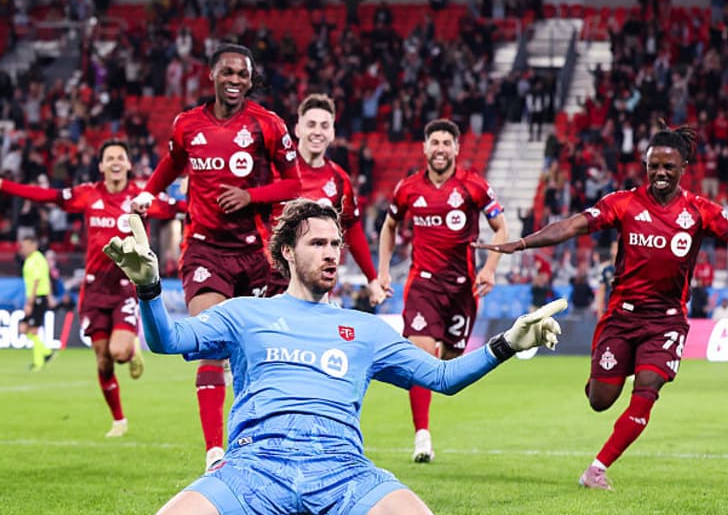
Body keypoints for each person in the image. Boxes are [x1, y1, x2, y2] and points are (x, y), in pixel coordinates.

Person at [103, 201, 564, 515]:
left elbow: (441, 377)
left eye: (334, 244)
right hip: (257, 470)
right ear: (287, 252)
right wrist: (148, 288)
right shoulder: (245, 313)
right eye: (317, 243)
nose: (330, 253)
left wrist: (508, 343)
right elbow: (168, 340)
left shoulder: (365, 328)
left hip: (341, 471)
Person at [477, 125, 728, 490]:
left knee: (648, 389)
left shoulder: (700, 211)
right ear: (646, 166)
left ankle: (597, 469)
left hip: (666, 321)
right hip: (621, 315)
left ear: (684, 166)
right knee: (600, 400)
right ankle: (620, 367)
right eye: (654, 166)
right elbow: (573, 226)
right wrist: (521, 244)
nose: (660, 173)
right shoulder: (624, 202)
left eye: (668, 166)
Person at [134, 43, 302, 469]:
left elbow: (293, 185)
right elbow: (171, 164)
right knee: (211, 343)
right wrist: (147, 194)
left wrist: (251, 195)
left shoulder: (267, 124)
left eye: (242, 74)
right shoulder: (187, 125)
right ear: (212, 75)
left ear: (250, 80)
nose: (234, 80)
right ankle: (214, 453)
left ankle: (262, 438)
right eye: (227, 72)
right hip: (205, 249)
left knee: (258, 352)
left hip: (257, 254)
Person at [0, 140, 180, 438]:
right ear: (101, 165)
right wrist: (2, 184)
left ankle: (132, 350)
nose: (116, 162)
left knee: (118, 352)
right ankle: (119, 420)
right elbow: (48, 196)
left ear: (129, 164)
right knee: (103, 360)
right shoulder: (88, 194)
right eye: (110, 158)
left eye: (121, 157)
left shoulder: (141, 196)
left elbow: (177, 208)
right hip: (93, 289)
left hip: (124, 287)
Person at [376, 119, 508, 463]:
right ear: (424, 147)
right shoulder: (408, 189)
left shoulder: (473, 186)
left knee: (448, 361)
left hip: (463, 289)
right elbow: (389, 227)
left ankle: (425, 410)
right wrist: (383, 271)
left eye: (446, 143)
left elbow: (500, 228)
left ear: (456, 149)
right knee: (422, 360)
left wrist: (489, 269)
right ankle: (422, 437)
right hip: (423, 284)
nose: (439, 149)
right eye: (434, 142)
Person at [266, 94, 386, 302]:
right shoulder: (273, 169)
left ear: (332, 133)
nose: (317, 132)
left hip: (316, 288)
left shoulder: (339, 179)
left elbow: (353, 231)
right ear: (297, 129)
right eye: (311, 124)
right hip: (270, 279)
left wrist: (373, 280)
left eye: (324, 126)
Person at [17, 233, 55, 371]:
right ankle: (46, 352)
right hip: (38, 297)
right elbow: (47, 278)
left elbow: (37, 281)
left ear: (34, 245)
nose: (23, 249)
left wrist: (29, 302)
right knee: (23, 328)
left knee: (33, 330)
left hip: (38, 297)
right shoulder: (32, 259)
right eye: (22, 246)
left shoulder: (36, 259)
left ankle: (39, 362)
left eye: (26, 246)